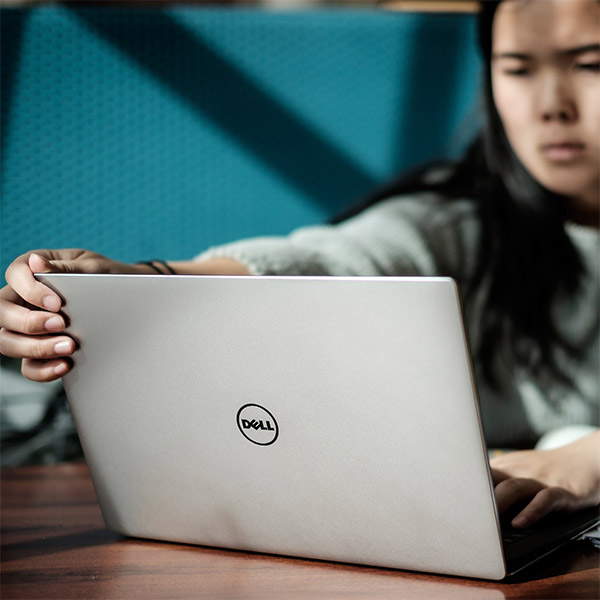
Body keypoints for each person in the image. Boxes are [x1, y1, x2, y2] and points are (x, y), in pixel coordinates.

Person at [0, 0, 598, 530]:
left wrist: (587, 458)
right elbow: (330, 260)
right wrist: (140, 280)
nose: (551, 106)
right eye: (517, 69)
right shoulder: (458, 226)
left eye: (590, 63)